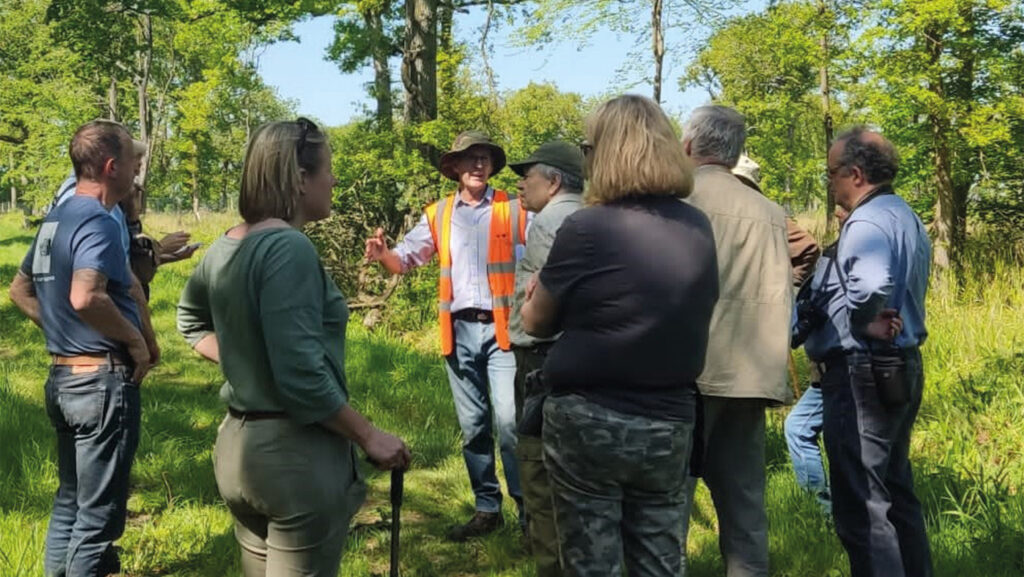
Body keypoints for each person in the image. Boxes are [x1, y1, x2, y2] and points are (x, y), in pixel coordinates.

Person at [176, 118, 411, 576]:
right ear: (300, 178)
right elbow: (302, 376)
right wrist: (369, 435)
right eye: (328, 168)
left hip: (238, 453)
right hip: (293, 456)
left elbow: (189, 322)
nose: (334, 179)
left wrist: (249, 363)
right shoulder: (290, 247)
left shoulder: (226, 245)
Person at [521, 94, 719, 577]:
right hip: (671, 418)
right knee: (659, 560)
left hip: (591, 417)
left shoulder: (587, 227)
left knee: (592, 562)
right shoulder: (696, 225)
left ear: (603, 154)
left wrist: (535, 293)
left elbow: (535, 322)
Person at [8, 119, 158, 577]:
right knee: (96, 520)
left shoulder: (56, 219)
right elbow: (85, 295)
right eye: (133, 164)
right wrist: (134, 341)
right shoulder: (97, 219)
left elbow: (20, 290)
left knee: (70, 505)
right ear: (112, 167)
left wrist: (61, 330)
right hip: (100, 385)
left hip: (63, 380)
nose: (137, 174)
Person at [364, 130, 527, 541]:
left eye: (484, 158)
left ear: (491, 166)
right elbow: (404, 260)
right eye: (470, 158)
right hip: (458, 332)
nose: (478, 165)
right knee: (474, 426)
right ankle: (487, 509)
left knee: (509, 425)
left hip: (504, 330)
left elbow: (546, 251)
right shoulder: (438, 213)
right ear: (454, 167)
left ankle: (531, 517)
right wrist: (383, 255)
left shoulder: (515, 207)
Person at [680, 105, 793, 577]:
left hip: (687, 374)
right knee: (745, 503)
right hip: (752, 374)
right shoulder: (770, 212)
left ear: (688, 146)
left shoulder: (679, 203)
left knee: (669, 504)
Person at [820, 127, 932, 577]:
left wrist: (862, 319)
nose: (830, 183)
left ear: (857, 174)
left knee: (864, 506)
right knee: (896, 492)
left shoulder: (866, 223)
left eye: (832, 173)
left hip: (862, 373)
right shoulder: (905, 214)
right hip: (900, 366)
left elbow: (871, 283)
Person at [507, 140, 585, 576]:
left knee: (539, 470)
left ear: (553, 181)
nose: (520, 184)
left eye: (528, 175)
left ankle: (553, 565)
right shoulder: (591, 215)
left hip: (541, 360)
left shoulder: (551, 221)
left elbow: (545, 301)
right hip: (575, 358)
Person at [48, 139, 199, 298]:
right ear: (113, 165)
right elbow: (97, 281)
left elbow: (119, 262)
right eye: (135, 162)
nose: (139, 170)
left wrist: (165, 256)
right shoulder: (97, 206)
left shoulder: (104, 202)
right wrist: (160, 248)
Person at [785, 205, 849, 515]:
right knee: (801, 428)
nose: (837, 212)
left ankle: (824, 510)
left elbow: (815, 309)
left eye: (844, 208)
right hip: (833, 369)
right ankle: (826, 508)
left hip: (842, 368)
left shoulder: (841, 257)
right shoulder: (842, 253)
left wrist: (794, 328)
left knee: (818, 435)